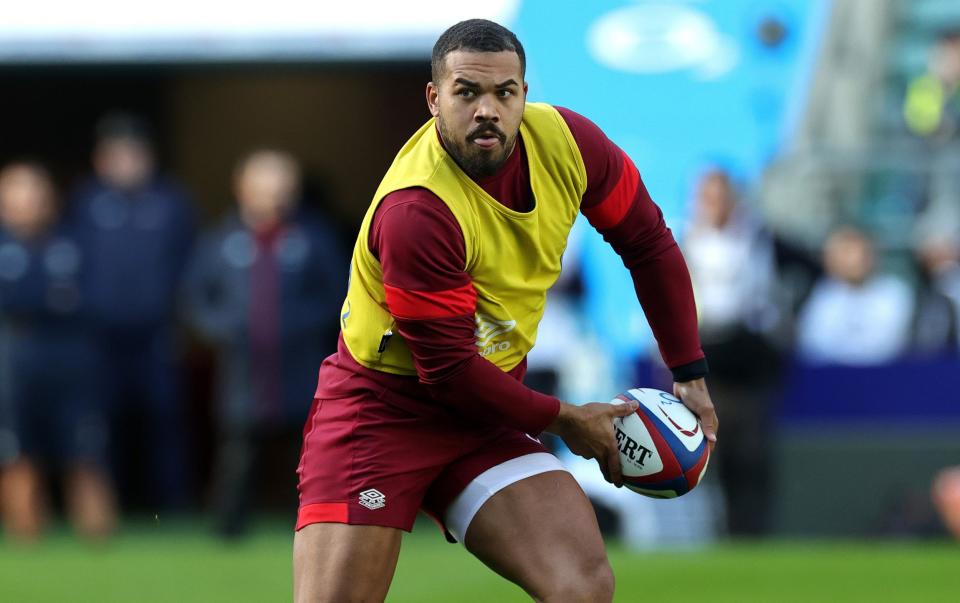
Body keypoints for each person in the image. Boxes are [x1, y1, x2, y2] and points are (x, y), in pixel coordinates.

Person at [292, 19, 717, 602]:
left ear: (524, 93)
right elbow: (447, 373)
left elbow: (648, 242)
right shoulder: (417, 210)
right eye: (467, 92)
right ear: (434, 99)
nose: (487, 109)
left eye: (504, 92)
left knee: (581, 586)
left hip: (485, 413)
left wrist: (690, 374)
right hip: (381, 412)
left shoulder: (570, 144)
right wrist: (570, 420)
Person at [184, 149, 345, 538]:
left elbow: (340, 294)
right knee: (238, 452)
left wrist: (304, 325)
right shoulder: (221, 241)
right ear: (243, 190)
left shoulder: (313, 238)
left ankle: (314, 526)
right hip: (243, 368)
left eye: (283, 188)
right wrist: (224, 328)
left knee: (309, 453)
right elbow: (195, 299)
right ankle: (228, 531)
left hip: (301, 365)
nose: (275, 197)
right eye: (266, 187)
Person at [69, 112, 196, 510]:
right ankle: (111, 508)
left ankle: (172, 508)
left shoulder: (172, 202)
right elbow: (70, 263)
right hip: (99, 336)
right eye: (116, 155)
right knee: (102, 423)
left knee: (165, 421)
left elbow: (190, 266)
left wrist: (183, 320)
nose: (126, 162)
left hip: (158, 333)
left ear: (149, 157)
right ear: (100, 160)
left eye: (133, 154)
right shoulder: (86, 202)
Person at [0, 161, 115, 541]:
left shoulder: (75, 243)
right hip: (14, 361)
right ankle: (26, 533)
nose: (29, 201)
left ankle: (98, 536)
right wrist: (50, 299)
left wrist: (34, 301)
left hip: (73, 362)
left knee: (84, 449)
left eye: (36, 191)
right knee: (16, 451)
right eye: (18, 192)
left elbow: (94, 300)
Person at [682, 169, 781, 536]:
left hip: (747, 354)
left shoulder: (757, 237)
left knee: (751, 453)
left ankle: (753, 531)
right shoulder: (685, 239)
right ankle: (713, 533)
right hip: (705, 355)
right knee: (708, 452)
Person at [796, 226, 914, 366]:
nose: (851, 260)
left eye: (855, 253)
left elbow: (890, 343)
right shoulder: (822, 295)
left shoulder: (895, 293)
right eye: (843, 253)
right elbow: (813, 343)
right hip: (833, 378)